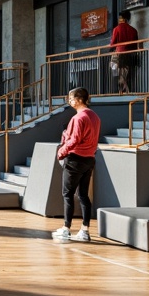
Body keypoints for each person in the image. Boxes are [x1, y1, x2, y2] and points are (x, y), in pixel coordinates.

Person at [52, 87, 101, 243]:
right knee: (83, 195)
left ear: (79, 99)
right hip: (89, 159)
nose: (69, 101)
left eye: (71, 98)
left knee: (68, 194)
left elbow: (74, 140)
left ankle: (66, 229)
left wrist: (61, 152)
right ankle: (84, 230)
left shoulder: (78, 118)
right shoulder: (95, 117)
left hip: (75, 159)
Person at [109, 10, 140, 94]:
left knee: (116, 73)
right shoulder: (133, 30)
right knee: (128, 75)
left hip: (119, 55)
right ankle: (129, 91)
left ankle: (119, 91)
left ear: (121, 18)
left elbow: (112, 44)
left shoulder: (117, 29)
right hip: (131, 56)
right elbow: (135, 45)